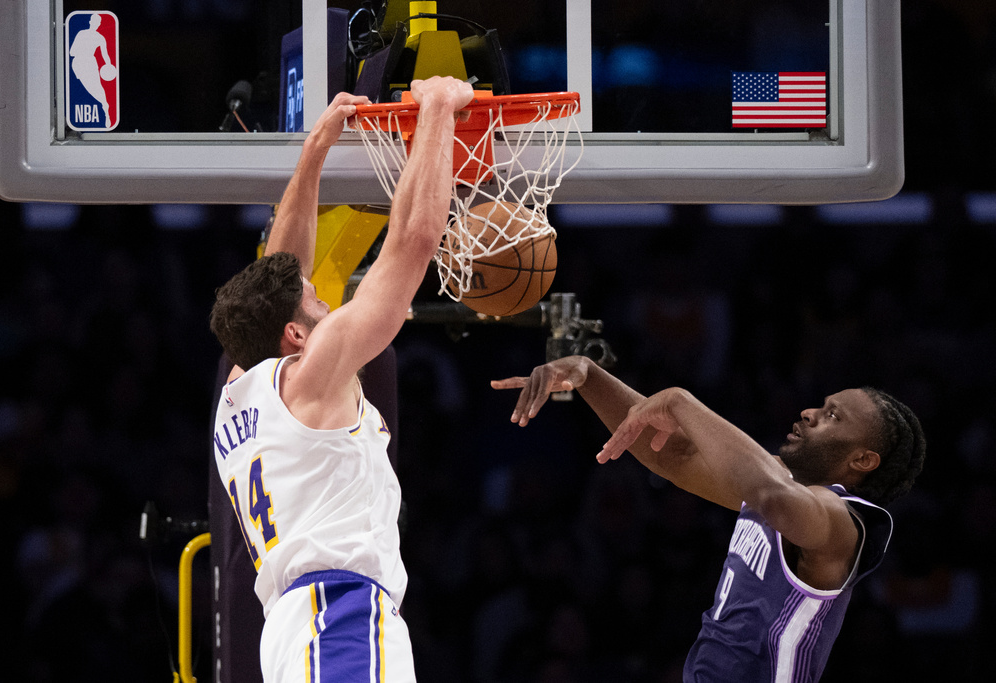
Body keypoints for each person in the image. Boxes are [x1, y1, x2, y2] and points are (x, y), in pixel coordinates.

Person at [209, 76, 475, 683]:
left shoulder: (239, 389)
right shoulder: (308, 377)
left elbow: (281, 271)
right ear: (296, 337)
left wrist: (316, 149)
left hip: (300, 625)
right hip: (340, 615)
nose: (327, 300)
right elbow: (412, 244)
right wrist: (437, 108)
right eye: (316, 301)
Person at [491, 355, 926, 682]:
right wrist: (588, 375)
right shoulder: (777, 483)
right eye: (822, 405)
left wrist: (680, 400)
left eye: (833, 416)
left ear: (863, 459)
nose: (810, 412)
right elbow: (675, 454)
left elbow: (770, 493)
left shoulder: (847, 522)